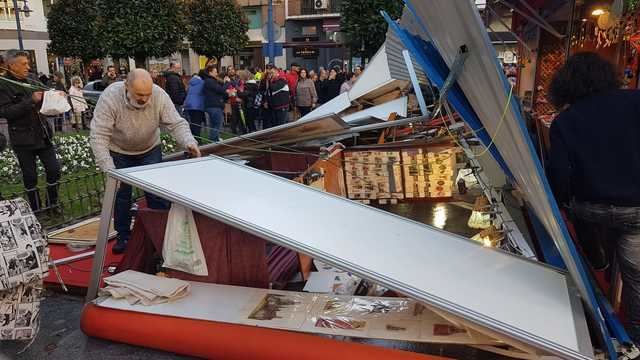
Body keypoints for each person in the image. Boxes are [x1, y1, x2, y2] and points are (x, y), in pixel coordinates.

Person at [547, 52, 640, 343]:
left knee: (577, 209)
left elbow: (560, 176)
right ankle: (636, 338)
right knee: (637, 281)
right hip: (637, 210)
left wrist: (561, 203)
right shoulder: (637, 102)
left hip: (593, 209)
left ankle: (597, 262)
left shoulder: (565, 121)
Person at [90, 69, 200, 254]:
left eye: (147, 94)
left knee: (156, 193)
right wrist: (109, 169)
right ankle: (123, 235)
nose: (144, 99)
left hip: (150, 149)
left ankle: (162, 234)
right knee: (121, 195)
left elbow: (176, 123)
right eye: (139, 94)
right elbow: (98, 135)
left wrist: (189, 142)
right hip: (119, 151)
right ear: (126, 87)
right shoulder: (110, 97)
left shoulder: (159, 95)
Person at [0, 50, 60, 212]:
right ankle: (35, 209)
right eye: (24, 64)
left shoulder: (32, 78)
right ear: (11, 65)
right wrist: (30, 101)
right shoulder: (3, 84)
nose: (28, 66)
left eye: (28, 63)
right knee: (30, 177)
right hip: (23, 138)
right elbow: (5, 112)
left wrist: (54, 97)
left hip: (42, 134)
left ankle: (52, 203)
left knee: (54, 169)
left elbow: (45, 93)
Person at [202, 65, 228, 142]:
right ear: (210, 72)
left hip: (212, 105)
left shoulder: (210, 80)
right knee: (217, 124)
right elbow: (220, 90)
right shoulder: (209, 81)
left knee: (213, 124)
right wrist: (226, 83)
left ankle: (213, 139)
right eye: (215, 72)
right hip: (214, 105)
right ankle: (214, 140)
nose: (216, 73)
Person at [184, 70, 207, 142]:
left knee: (192, 122)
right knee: (197, 123)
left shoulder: (191, 83)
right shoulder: (203, 83)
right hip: (197, 105)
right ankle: (197, 139)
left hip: (188, 104)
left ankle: (193, 137)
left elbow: (187, 91)